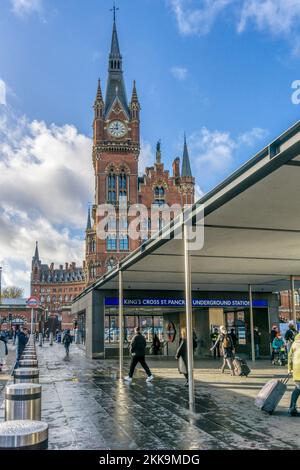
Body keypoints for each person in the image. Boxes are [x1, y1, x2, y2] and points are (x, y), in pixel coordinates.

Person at [288, 333, 300, 417]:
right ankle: (292, 408)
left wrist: (289, 368)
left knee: (298, 388)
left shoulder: (294, 343)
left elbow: (290, 357)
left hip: (296, 369)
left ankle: (292, 407)